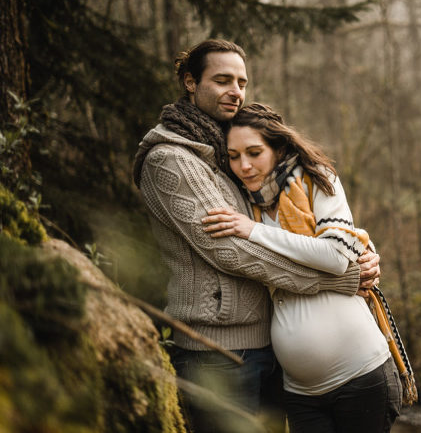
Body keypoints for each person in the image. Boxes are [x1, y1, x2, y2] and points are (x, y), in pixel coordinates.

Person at [132, 39, 381, 433]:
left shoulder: (226, 154)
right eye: (222, 80)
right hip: (216, 353)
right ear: (190, 82)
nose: (236, 91)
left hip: (268, 348)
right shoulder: (171, 160)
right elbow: (234, 252)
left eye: (242, 82)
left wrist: (357, 251)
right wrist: (344, 276)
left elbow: (290, 228)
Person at [200, 103, 402, 432]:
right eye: (234, 156)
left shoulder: (318, 180)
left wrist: (253, 232)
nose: (244, 166)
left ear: (278, 148)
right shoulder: (243, 204)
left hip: (361, 375)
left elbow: (337, 256)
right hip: (299, 391)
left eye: (254, 152)